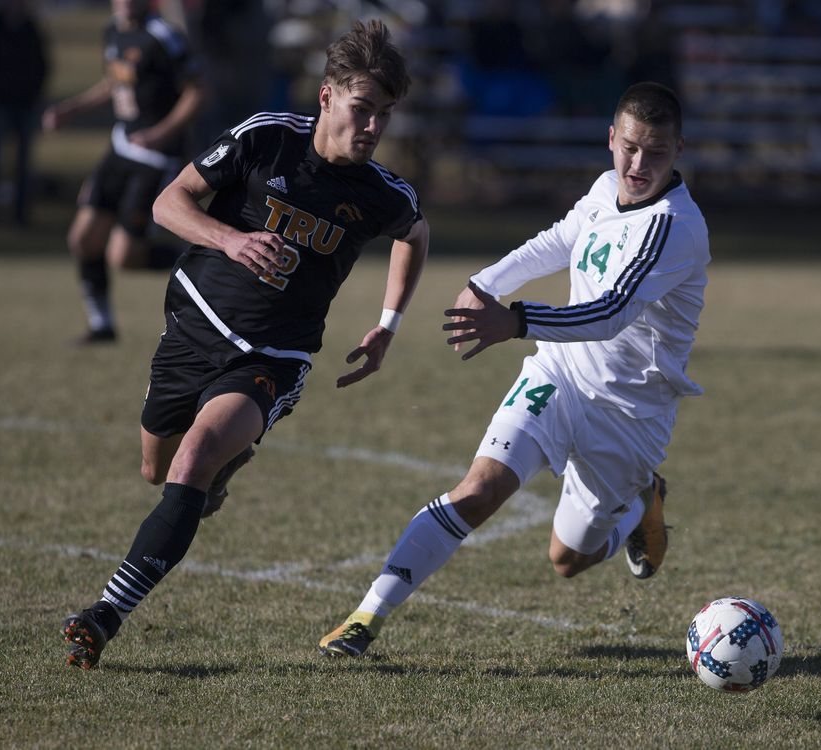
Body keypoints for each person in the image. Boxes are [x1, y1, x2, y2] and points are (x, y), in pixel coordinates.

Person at [61, 19, 429, 669]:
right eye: (361, 110)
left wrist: (388, 324)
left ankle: (105, 613)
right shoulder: (265, 140)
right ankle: (218, 475)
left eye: (385, 116)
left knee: (194, 457)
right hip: (193, 328)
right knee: (159, 470)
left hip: (272, 358)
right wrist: (229, 240)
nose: (372, 128)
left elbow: (415, 235)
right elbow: (169, 204)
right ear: (326, 98)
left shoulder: (380, 194)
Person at [320, 81, 710, 658]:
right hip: (558, 376)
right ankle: (365, 617)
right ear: (611, 139)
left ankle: (639, 505)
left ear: (678, 150)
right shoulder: (606, 190)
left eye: (655, 153)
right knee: (478, 490)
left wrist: (517, 319)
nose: (638, 164)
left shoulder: (676, 227)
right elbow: (557, 242)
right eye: (629, 147)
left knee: (567, 559)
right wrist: (486, 283)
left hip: (629, 413)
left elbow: (610, 313)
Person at [42, 0, 205, 344]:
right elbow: (113, 85)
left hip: (156, 158)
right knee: (83, 239)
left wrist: (161, 132)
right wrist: (71, 110)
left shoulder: (163, 36)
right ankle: (102, 325)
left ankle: (204, 257)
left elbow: (196, 91)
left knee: (124, 256)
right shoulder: (113, 30)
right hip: (120, 149)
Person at [0, 0, 49, 225]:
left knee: (23, 163)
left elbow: (42, 65)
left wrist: (32, 91)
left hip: (25, 105)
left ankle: (21, 215)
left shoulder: (30, 28)